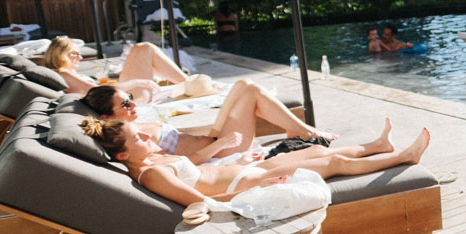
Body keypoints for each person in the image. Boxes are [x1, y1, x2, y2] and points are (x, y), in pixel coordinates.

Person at [80, 117, 429, 205]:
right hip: (242, 184)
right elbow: (202, 203)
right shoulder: (151, 175)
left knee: (318, 151)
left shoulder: (147, 160)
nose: (146, 136)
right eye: (137, 137)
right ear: (122, 154)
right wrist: (256, 188)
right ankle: (404, 156)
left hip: (243, 170)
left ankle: (379, 145)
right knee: (332, 164)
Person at [81, 80, 332, 162]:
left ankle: (299, 129)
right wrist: (220, 142)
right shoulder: (135, 141)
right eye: (125, 104)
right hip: (222, 150)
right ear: (107, 116)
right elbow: (184, 163)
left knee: (243, 85)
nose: (133, 104)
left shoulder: (134, 126)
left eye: (131, 98)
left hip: (215, 139)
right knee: (252, 92)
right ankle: (308, 133)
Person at [44, 36, 186, 99]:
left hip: (118, 97)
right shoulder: (63, 74)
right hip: (122, 101)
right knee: (144, 49)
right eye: (74, 54)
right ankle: (191, 83)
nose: (80, 58)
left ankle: (190, 83)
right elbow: (97, 91)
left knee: (143, 48)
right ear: (60, 54)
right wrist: (137, 82)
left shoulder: (66, 74)